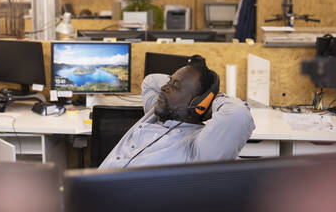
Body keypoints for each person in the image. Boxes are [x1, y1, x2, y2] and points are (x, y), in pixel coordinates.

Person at [99, 55, 255, 168]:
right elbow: (150, 81)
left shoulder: (199, 149)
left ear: (196, 102)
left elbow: (237, 115)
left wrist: (211, 97)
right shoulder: (155, 113)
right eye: (169, 82)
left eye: (175, 86)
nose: (163, 87)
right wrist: (177, 82)